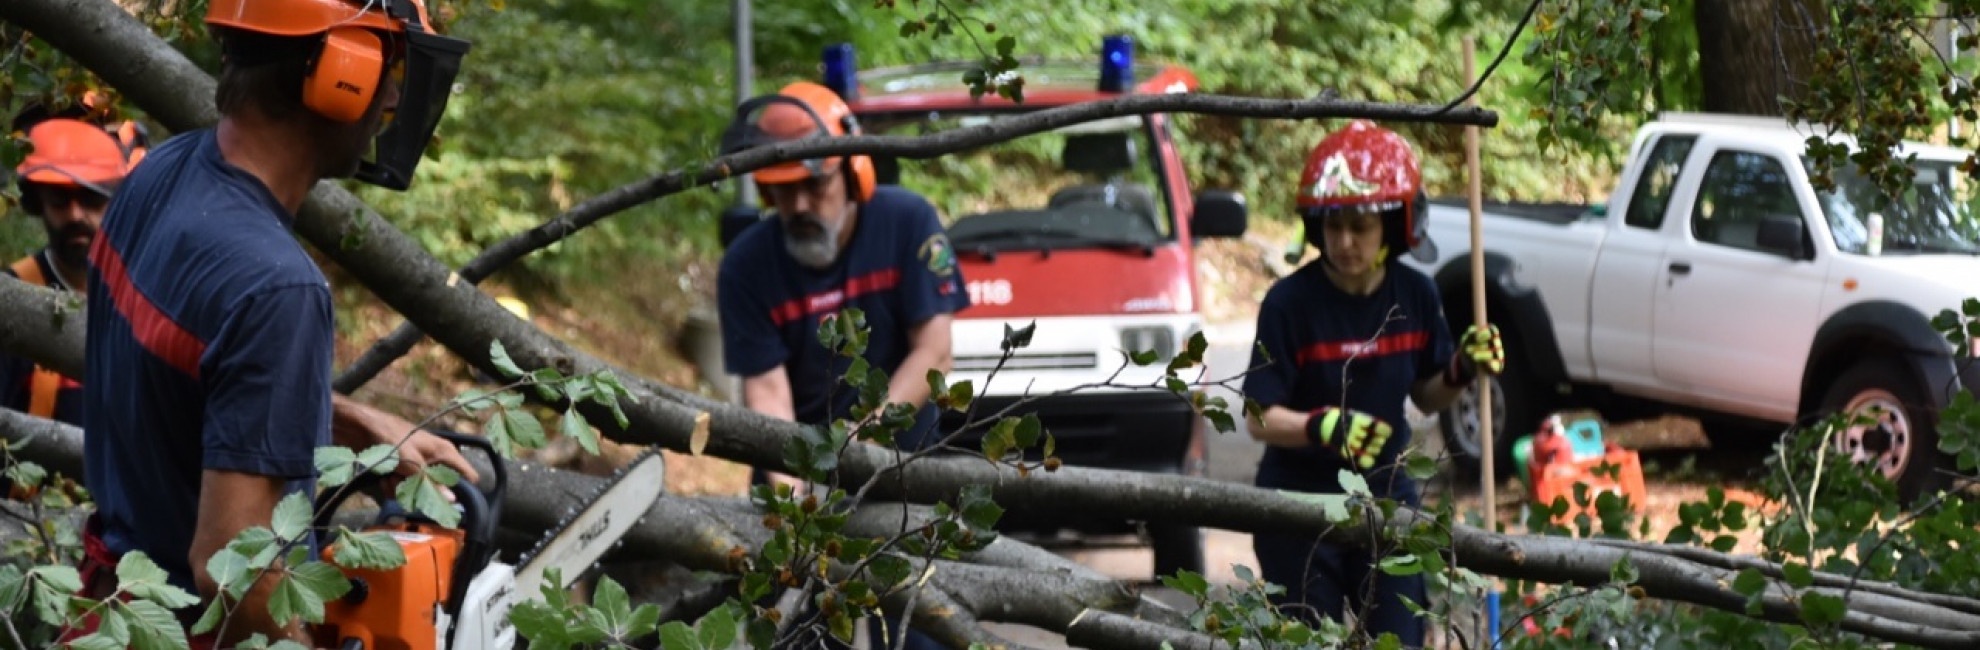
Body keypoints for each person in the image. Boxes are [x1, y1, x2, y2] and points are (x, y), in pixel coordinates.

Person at [79, 0, 478, 645]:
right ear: (342, 77)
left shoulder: (163, 172)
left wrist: (351, 421)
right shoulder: (277, 287)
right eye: (390, 72)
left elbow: (186, 392)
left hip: (113, 608)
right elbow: (230, 574)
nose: (391, 101)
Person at [715, 80, 970, 649]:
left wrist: (863, 441)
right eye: (782, 192)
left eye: (814, 185)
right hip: (798, 463)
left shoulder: (907, 223)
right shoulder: (747, 267)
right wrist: (794, 506)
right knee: (795, 625)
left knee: (917, 627)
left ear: (853, 171)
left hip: (904, 465)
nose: (800, 206)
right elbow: (766, 390)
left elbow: (934, 349)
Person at [1242, 120, 1504, 646]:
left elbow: (1425, 395)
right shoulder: (1288, 304)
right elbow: (1258, 417)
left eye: (1360, 226)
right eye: (1332, 226)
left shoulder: (1416, 294)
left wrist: (1459, 371)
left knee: (1400, 638)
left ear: (1393, 224)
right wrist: (1324, 427)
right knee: (1306, 641)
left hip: (1387, 497)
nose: (1344, 241)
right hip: (1297, 505)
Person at [2, 113, 143, 430]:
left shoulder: (149, 300)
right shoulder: (15, 301)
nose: (76, 215)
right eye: (60, 200)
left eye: (91, 198)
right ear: (37, 203)